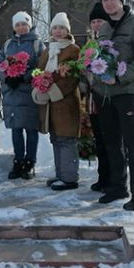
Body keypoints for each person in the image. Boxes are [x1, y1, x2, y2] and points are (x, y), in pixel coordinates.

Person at [91, 0, 134, 208]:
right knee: (112, 142)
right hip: (105, 94)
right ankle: (118, 187)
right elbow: (101, 57)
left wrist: (120, 77)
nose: (108, 3)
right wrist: (97, 77)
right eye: (105, 0)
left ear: (121, 1)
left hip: (127, 91)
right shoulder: (105, 27)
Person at [32, 12, 81, 191]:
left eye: (62, 28)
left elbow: (73, 77)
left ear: (67, 30)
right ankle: (61, 173)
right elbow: (38, 70)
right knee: (56, 138)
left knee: (67, 138)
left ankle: (69, 178)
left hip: (65, 102)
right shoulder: (48, 49)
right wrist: (39, 86)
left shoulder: (73, 49)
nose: (58, 31)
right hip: (50, 105)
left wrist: (53, 90)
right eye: (55, 28)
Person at [0, 11, 45, 180]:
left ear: (29, 25)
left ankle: (30, 162)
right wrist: (7, 76)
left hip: (29, 93)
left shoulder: (37, 44)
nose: (21, 27)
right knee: (16, 130)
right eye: (17, 25)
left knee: (31, 129)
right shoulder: (8, 44)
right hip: (12, 94)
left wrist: (24, 76)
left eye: (24, 24)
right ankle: (18, 160)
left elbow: (41, 67)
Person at [83, 2, 121, 194]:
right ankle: (103, 177)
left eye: (100, 21)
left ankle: (116, 180)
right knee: (99, 140)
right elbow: (84, 70)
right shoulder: (90, 44)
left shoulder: (109, 42)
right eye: (94, 21)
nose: (97, 25)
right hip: (92, 98)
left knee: (111, 141)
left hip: (108, 96)